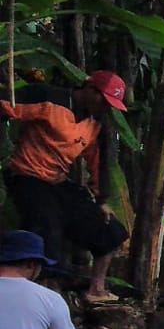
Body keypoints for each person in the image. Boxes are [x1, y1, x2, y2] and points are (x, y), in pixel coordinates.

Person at [1, 72, 130, 302]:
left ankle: (96, 290)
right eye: (103, 100)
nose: (105, 108)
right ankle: (42, 292)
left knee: (109, 229)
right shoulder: (49, 99)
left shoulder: (95, 125)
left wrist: (101, 201)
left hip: (57, 182)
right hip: (26, 176)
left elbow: (98, 164)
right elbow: (8, 104)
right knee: (47, 225)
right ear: (90, 90)